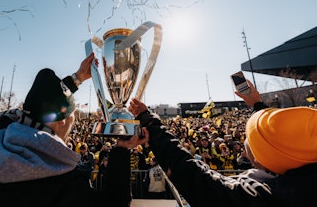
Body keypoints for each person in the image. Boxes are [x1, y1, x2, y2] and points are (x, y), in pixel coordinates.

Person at [0, 52, 149, 207]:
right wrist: (121, 149)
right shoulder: (58, 174)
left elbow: (40, 99)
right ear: (62, 121)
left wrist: (78, 77)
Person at [129, 80, 317, 206]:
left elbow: (194, 177)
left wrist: (151, 124)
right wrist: (257, 104)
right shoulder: (300, 178)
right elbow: (283, 137)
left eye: (249, 139)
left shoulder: (263, 196)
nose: (243, 143)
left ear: (267, 157)